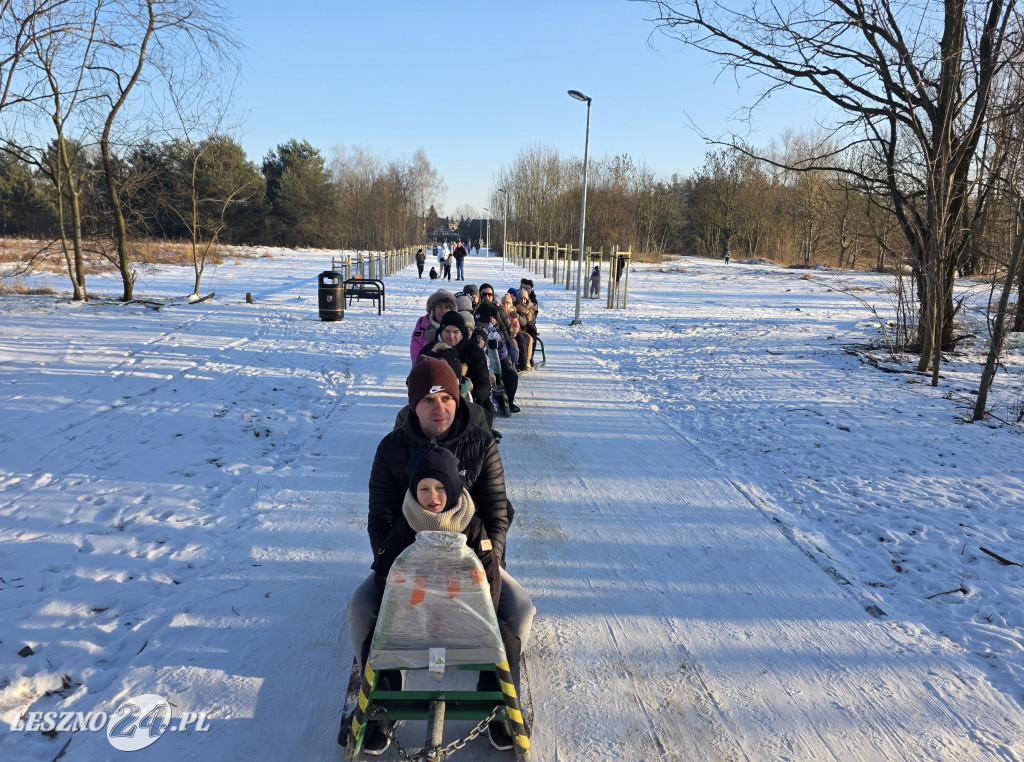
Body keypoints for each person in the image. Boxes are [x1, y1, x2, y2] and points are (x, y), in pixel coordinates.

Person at [347, 358, 535, 752]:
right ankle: (384, 689)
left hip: (471, 558)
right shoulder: (391, 448)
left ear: (457, 398)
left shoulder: (481, 444)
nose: (440, 408)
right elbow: (379, 516)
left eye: (447, 397)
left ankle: (497, 693)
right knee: (362, 608)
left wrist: (486, 569)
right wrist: (391, 566)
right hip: (406, 560)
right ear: (414, 405)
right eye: (429, 400)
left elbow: (497, 512)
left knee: (520, 610)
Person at [476, 302, 520, 413]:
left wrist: (499, 345)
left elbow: (504, 353)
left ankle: (507, 402)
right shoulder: (474, 331)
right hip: (480, 366)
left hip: (496, 365)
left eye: (493, 318)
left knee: (512, 377)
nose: (491, 320)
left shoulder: (496, 332)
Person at [410, 289, 456, 364]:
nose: (443, 310)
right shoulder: (422, 326)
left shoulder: (457, 327)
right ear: (432, 309)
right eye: (439, 307)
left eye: (447, 307)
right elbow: (416, 356)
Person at [478, 283, 518, 367]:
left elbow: (508, 327)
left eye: (489, 294)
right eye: (484, 294)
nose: (487, 297)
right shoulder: (476, 310)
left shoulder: (498, 310)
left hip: (502, 342)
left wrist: (506, 341)